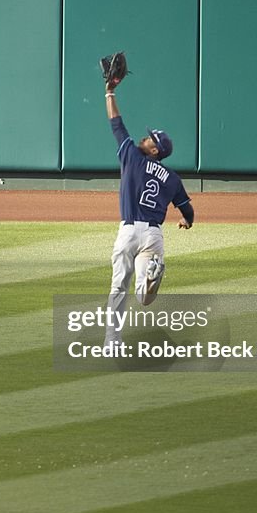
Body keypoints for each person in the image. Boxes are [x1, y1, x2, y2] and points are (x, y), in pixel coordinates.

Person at [103, 73, 194, 348]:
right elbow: (188, 209)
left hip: (129, 231)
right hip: (153, 236)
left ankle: (112, 342)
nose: (144, 138)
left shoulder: (131, 156)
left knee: (119, 287)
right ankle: (152, 275)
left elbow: (116, 123)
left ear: (154, 151)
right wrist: (186, 220)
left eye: (149, 139)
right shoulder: (172, 178)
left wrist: (109, 93)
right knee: (143, 298)